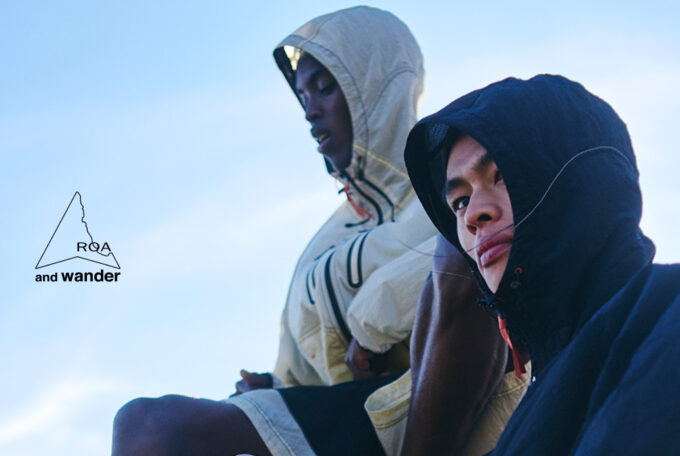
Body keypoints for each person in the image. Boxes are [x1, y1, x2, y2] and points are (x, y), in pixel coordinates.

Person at [113, 7, 439, 455]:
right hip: (349, 418)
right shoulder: (326, 239)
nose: (310, 111)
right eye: (303, 96)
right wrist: (272, 385)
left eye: (325, 88)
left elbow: (475, 258)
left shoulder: (452, 177)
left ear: (378, 86)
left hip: (438, 399)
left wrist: (371, 319)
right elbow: (301, 370)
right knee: (149, 428)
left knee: (151, 425)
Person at [404, 74, 680, 454]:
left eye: (501, 175)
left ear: (584, 179)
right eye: (460, 201)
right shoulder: (538, 401)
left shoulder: (666, 316)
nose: (473, 216)